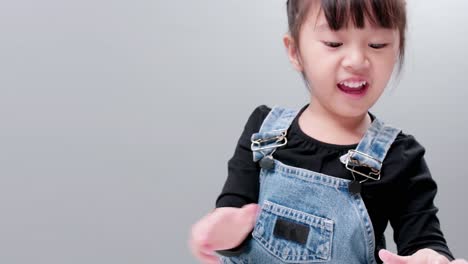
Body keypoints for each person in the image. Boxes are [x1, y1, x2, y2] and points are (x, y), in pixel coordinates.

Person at [190, 0, 467, 263]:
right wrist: (222, 228)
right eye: (334, 43)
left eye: (377, 44)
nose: (357, 60)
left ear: (397, 50)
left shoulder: (400, 157)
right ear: (295, 51)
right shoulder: (262, 131)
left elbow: (423, 240)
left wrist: (430, 257)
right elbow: (233, 211)